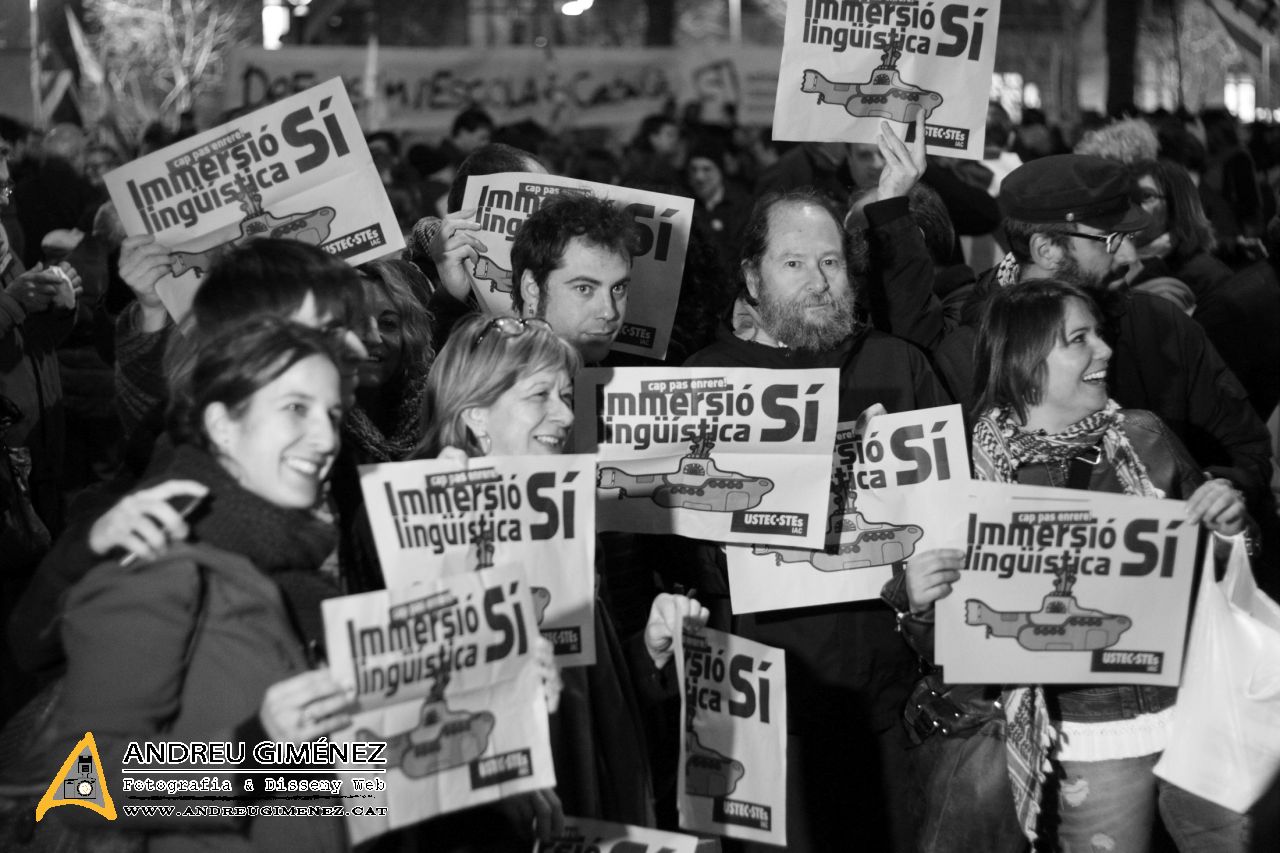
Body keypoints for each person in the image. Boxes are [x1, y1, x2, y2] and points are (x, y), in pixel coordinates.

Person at [894, 279, 1250, 852]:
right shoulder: (967, 477)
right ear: (1024, 360)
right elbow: (954, 646)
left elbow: (1219, 577)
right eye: (1079, 339)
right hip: (1088, 741)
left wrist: (1230, 530)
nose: (1105, 351)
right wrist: (916, 599)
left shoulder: (1146, 437)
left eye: (1099, 335)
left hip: (1200, 717)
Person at [683, 186, 950, 853]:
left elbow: (946, 523)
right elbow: (678, 553)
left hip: (887, 701)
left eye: (830, 263)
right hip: (764, 708)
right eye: (794, 264)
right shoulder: (703, 380)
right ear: (753, 276)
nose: (819, 281)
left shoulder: (897, 365)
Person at [35, 318, 352, 852]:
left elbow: (311, 781)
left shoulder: (273, 564)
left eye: (334, 414)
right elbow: (78, 788)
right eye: (296, 407)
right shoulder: (161, 566)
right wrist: (258, 752)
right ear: (224, 425)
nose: (325, 438)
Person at [397, 314, 707, 843]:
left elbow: (593, 692)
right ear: (476, 416)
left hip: (599, 811)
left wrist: (647, 650)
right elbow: (385, 740)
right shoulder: (408, 528)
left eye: (566, 395)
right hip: (493, 821)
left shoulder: (569, 517)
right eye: (540, 395)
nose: (564, 414)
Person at [332, 258, 435, 592]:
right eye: (357, 323)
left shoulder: (435, 420)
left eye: (389, 323)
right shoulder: (318, 435)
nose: (374, 337)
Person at [510, 193, 644, 366]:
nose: (609, 313)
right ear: (532, 287)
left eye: (618, 288)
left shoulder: (630, 377)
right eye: (584, 289)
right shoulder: (482, 381)